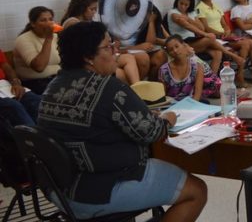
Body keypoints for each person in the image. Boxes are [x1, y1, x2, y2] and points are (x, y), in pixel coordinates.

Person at [38, 22, 207, 221]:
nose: (115, 51)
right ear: (88, 57)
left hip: (60, 190)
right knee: (196, 191)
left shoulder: (52, 87)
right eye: (108, 46)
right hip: (99, 190)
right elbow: (152, 133)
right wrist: (167, 119)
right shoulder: (109, 89)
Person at [60, 0, 144, 85]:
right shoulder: (73, 23)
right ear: (82, 8)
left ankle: (138, 86)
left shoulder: (88, 22)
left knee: (131, 58)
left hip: (97, 54)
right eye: (92, 9)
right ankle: (135, 89)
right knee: (124, 75)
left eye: (95, 9)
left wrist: (110, 44)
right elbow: (86, 46)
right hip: (87, 59)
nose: (94, 13)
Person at [166, 0, 246, 86]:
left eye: (186, 5)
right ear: (177, 1)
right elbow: (186, 26)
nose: (183, 7)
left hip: (195, 41)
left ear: (190, 4)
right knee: (210, 39)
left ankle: (210, 83)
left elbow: (201, 27)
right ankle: (232, 55)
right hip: (183, 43)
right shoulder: (173, 12)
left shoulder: (191, 13)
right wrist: (205, 34)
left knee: (217, 52)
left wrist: (188, 18)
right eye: (181, 3)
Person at [196, 0, 252, 85]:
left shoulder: (216, 6)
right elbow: (205, 28)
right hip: (214, 38)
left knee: (250, 42)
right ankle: (240, 75)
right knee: (247, 43)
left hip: (224, 36)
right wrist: (220, 34)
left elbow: (224, 24)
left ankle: (251, 74)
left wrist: (227, 31)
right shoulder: (199, 8)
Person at [13, 6, 60, 95]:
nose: (48, 23)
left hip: (57, 78)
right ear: (33, 24)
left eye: (50, 19)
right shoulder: (23, 39)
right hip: (36, 83)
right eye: (43, 20)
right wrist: (48, 39)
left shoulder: (56, 37)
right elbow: (39, 67)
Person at [159, 35, 220, 102]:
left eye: (177, 46)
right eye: (171, 50)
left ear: (184, 45)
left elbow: (197, 95)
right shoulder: (164, 70)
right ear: (168, 53)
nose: (175, 51)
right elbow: (163, 96)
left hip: (191, 103)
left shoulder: (197, 67)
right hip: (172, 105)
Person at [0, 47, 41, 126]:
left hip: (4, 85)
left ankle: (49, 134)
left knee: (35, 100)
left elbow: (7, 68)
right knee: (13, 106)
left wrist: (16, 83)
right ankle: (33, 136)